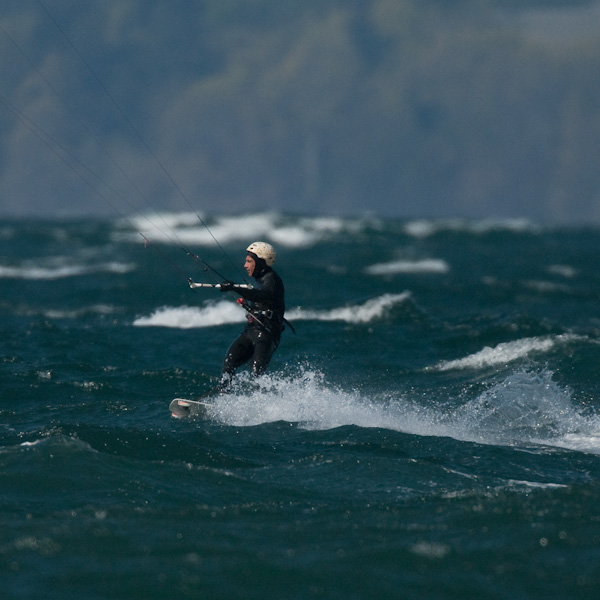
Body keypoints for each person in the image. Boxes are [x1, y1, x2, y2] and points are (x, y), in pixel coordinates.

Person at [218, 241, 286, 391]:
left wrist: (234, 288)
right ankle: (222, 396)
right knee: (229, 364)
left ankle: (262, 405)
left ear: (261, 262)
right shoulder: (261, 280)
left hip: (267, 334)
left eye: (249, 261)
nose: (245, 265)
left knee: (257, 374)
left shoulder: (272, 280)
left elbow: (262, 295)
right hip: (251, 331)